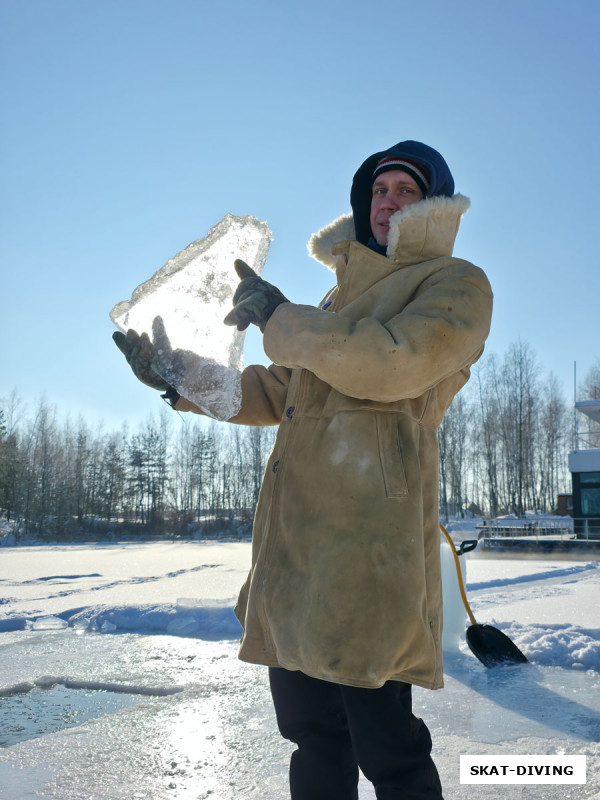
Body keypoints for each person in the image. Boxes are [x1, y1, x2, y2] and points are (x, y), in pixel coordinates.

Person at [114, 140, 493, 799]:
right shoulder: (330, 302)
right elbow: (269, 390)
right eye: (379, 190)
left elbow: (389, 364)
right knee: (312, 742)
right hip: (296, 560)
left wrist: (281, 317)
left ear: (433, 204)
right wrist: (178, 376)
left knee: (391, 756)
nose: (389, 201)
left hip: (369, 560)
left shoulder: (452, 284)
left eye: (407, 189)